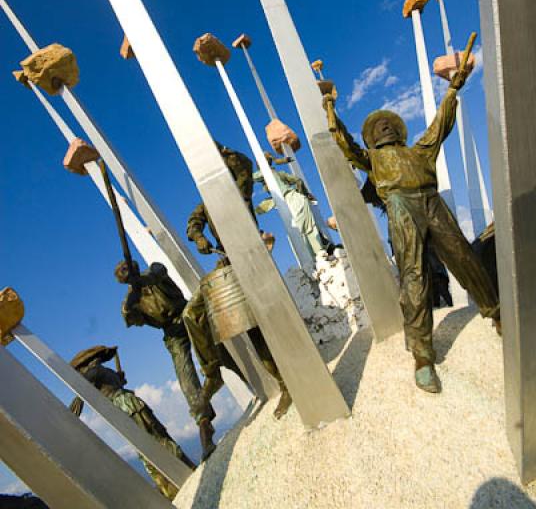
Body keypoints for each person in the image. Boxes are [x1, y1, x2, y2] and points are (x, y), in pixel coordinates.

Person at [323, 64, 500, 394]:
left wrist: (452, 90)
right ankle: (422, 357)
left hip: (432, 202)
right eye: (379, 126)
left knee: (464, 258)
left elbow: (438, 126)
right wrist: (330, 108)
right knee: (415, 277)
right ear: (373, 139)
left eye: (388, 123)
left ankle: (497, 313)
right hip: (400, 207)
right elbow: (343, 143)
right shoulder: (371, 160)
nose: (385, 125)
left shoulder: (419, 151)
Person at [185, 200, 292, 420]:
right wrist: (198, 237)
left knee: (256, 329)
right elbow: (193, 223)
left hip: (249, 255)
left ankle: (286, 384)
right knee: (191, 313)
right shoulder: (206, 203)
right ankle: (213, 372)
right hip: (226, 261)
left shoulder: (235, 183)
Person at [114, 258, 217, 460]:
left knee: (218, 352)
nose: (128, 272)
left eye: (129, 268)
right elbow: (129, 317)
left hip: (189, 314)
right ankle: (203, 421)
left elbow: (159, 270)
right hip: (172, 332)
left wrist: (145, 281)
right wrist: (131, 302)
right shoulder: (130, 300)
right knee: (185, 375)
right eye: (123, 272)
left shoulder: (153, 272)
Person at [69, 345, 195, 500]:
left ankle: (171, 484)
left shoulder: (94, 372)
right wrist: (119, 378)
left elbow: (81, 388)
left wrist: (71, 413)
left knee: (151, 445)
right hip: (131, 406)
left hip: (126, 408)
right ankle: (178, 475)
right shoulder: (104, 371)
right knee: (157, 439)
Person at [253, 153, 337, 258]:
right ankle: (320, 252)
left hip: (292, 199)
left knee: (300, 231)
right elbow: (298, 181)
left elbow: (253, 177)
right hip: (291, 201)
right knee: (305, 229)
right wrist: (305, 194)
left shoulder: (266, 172)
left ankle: (319, 252)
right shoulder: (278, 173)